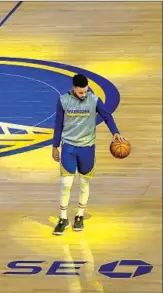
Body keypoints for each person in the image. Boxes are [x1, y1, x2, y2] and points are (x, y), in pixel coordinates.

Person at [51, 73, 127, 235]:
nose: (83, 94)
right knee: (66, 184)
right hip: (69, 147)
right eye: (80, 92)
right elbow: (58, 124)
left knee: (84, 183)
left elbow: (107, 116)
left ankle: (79, 215)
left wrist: (115, 132)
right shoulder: (64, 100)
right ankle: (63, 218)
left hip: (87, 148)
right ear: (73, 89)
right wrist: (55, 146)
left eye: (85, 91)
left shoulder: (94, 100)